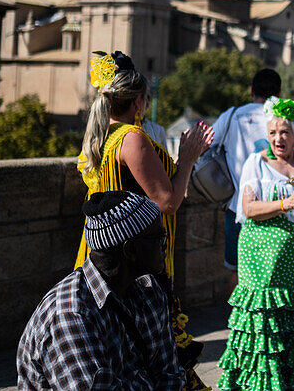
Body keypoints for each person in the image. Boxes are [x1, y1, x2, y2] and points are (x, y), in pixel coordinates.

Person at [75, 50, 213, 391]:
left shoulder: (99, 138)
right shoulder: (131, 138)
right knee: (154, 352)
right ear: (138, 102)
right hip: (137, 261)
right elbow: (167, 201)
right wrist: (188, 160)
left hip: (106, 252)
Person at [218, 97, 294, 391]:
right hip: (261, 258)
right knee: (263, 323)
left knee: (290, 320)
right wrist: (286, 202)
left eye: (284, 132)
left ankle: (287, 382)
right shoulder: (256, 163)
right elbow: (249, 209)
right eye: (272, 132)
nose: (278, 138)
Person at [18, 191, 182, 390]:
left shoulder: (147, 289)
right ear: (130, 250)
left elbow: (169, 373)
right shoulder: (70, 316)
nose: (165, 247)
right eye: (160, 239)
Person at [210, 68, 294, 286]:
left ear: (251, 90)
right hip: (284, 211)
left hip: (237, 205)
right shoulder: (290, 119)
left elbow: (206, 145)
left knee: (238, 273)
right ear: (279, 91)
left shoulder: (231, 115)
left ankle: (236, 319)